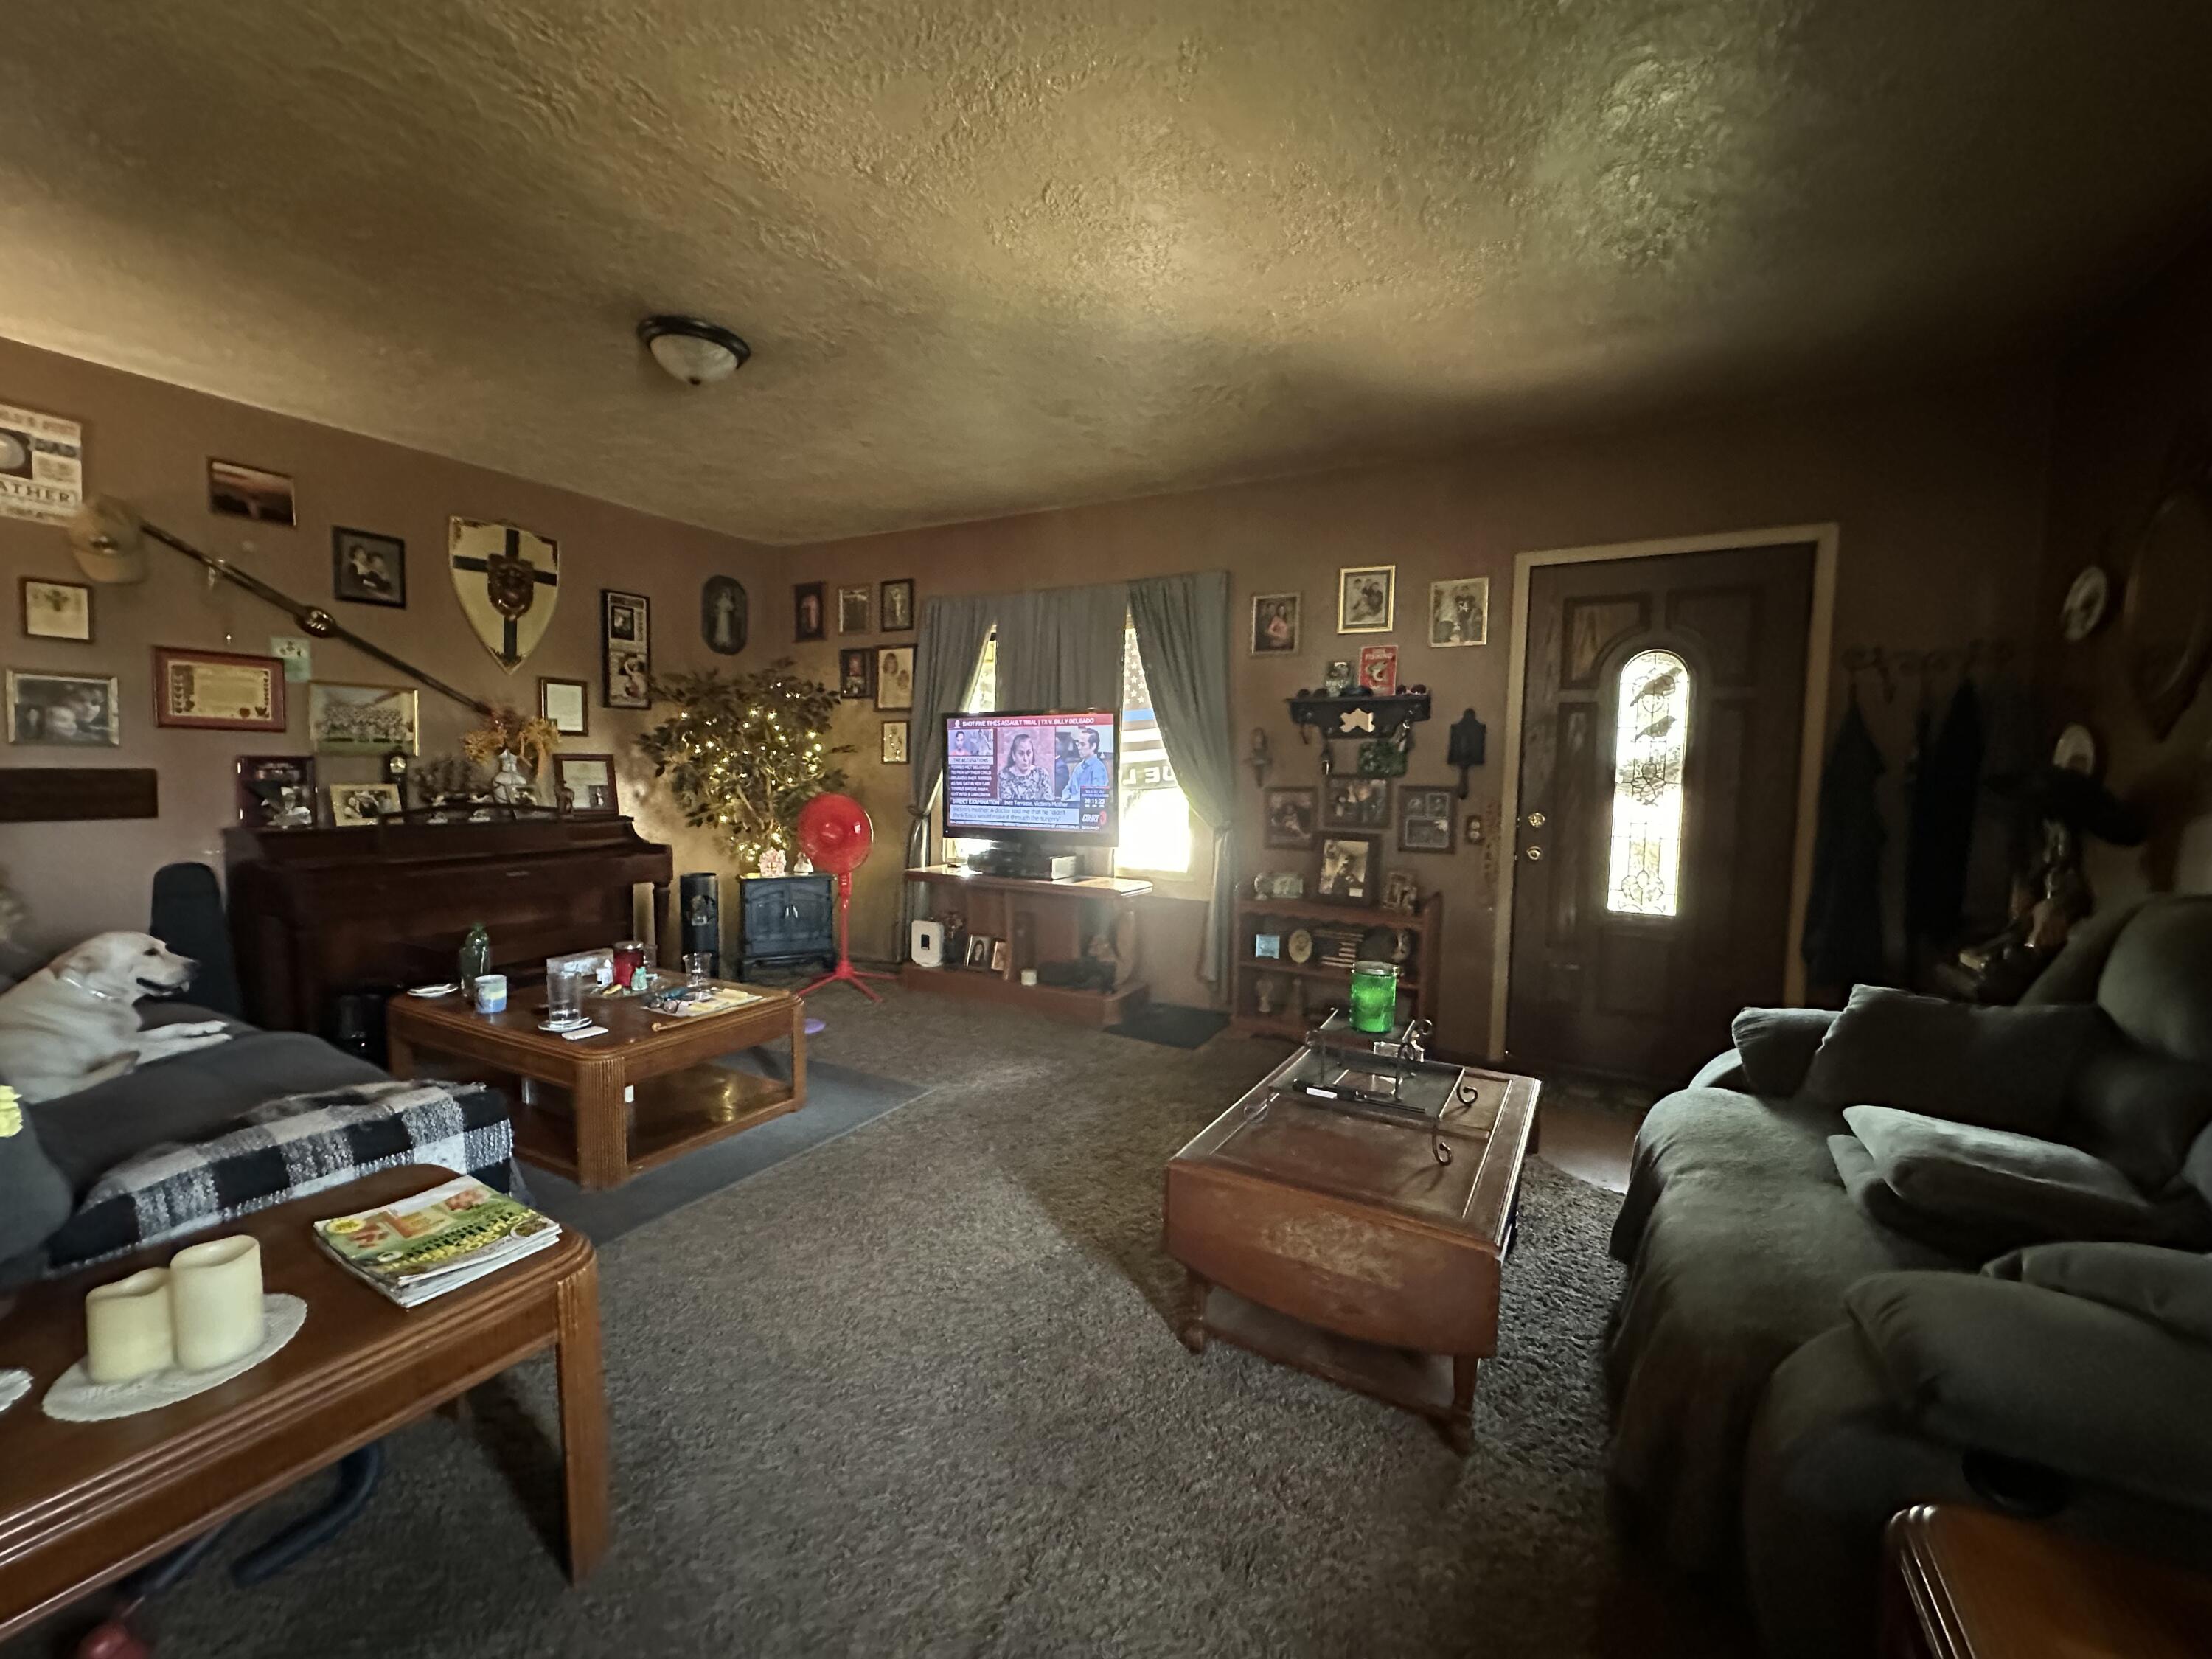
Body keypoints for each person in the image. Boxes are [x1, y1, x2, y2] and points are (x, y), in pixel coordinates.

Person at [997, 731, 1052, 801]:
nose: (1025, 759)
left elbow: (1048, 802)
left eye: (1029, 753)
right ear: (1013, 755)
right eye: (1021, 753)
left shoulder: (1042, 774)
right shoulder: (1004, 776)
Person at [1060, 727, 1110, 801]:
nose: (1079, 748)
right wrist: (1065, 797)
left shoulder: (1098, 768)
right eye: (1078, 744)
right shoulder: (1078, 767)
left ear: (1093, 746)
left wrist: (1072, 799)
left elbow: (1094, 796)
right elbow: (1068, 788)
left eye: (1083, 744)